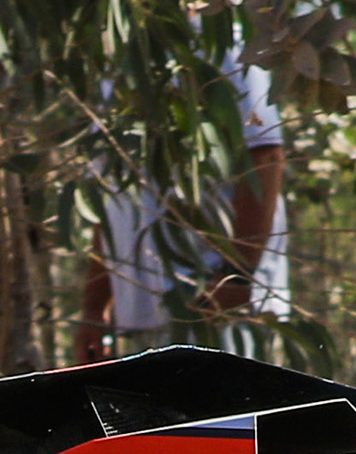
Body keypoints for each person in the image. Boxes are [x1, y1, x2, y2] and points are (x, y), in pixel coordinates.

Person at [79, 47, 288, 359]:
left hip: (214, 304)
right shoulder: (118, 66)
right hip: (147, 313)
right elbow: (113, 199)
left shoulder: (222, 50)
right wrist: (94, 308)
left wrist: (239, 272)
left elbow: (265, 155)